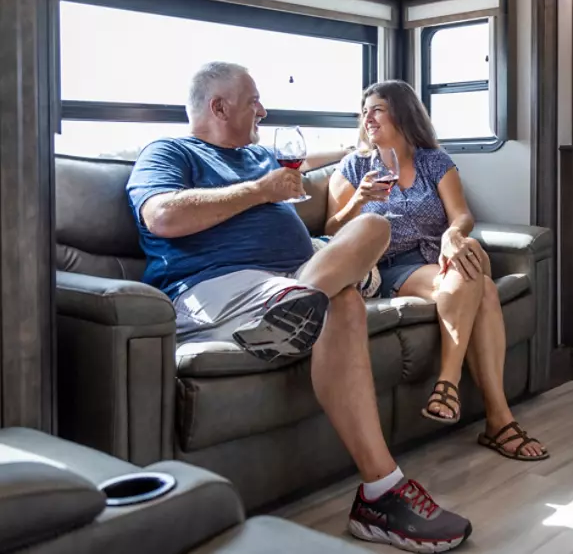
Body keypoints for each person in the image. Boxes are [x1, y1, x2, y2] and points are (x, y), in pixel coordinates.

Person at [125, 62, 471, 552]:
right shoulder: (170, 152)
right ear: (218, 106)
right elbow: (161, 216)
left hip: (290, 280)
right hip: (219, 287)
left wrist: (358, 151)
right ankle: (381, 492)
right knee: (342, 300)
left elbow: (328, 158)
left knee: (374, 230)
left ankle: (296, 307)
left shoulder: (261, 156)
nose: (263, 111)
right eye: (254, 102)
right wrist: (262, 191)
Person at [324, 80, 549, 462]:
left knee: (473, 262)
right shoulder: (355, 166)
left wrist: (452, 236)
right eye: (364, 111)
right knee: (485, 287)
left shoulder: (434, 161)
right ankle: (492, 415)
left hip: (434, 260)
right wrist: (359, 200)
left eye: (377, 108)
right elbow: (331, 230)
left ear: (401, 112)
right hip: (388, 266)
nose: (368, 117)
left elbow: (461, 214)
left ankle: (455, 388)